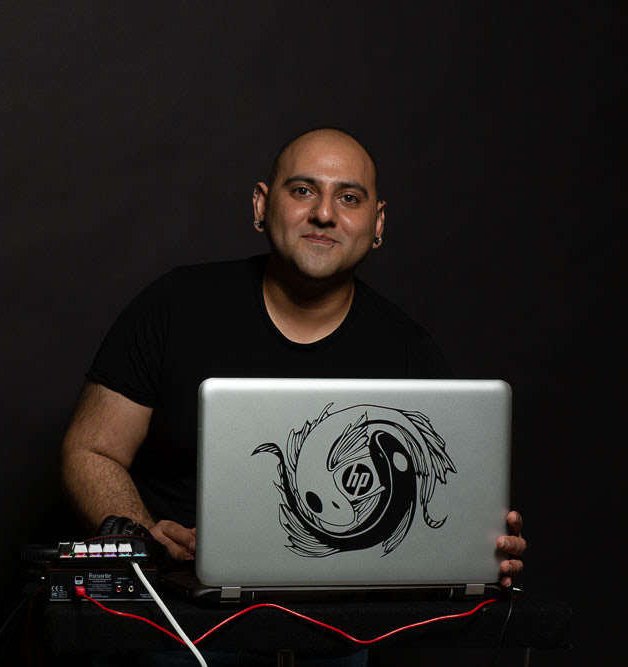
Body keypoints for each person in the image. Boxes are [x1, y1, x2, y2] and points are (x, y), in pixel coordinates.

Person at [60, 127, 526, 592]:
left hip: (339, 627)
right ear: (262, 206)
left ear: (378, 224)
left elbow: (437, 513)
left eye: (349, 198)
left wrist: (484, 549)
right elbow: (90, 450)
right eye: (303, 191)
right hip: (178, 611)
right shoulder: (175, 304)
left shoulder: (410, 353)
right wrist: (143, 541)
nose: (324, 214)